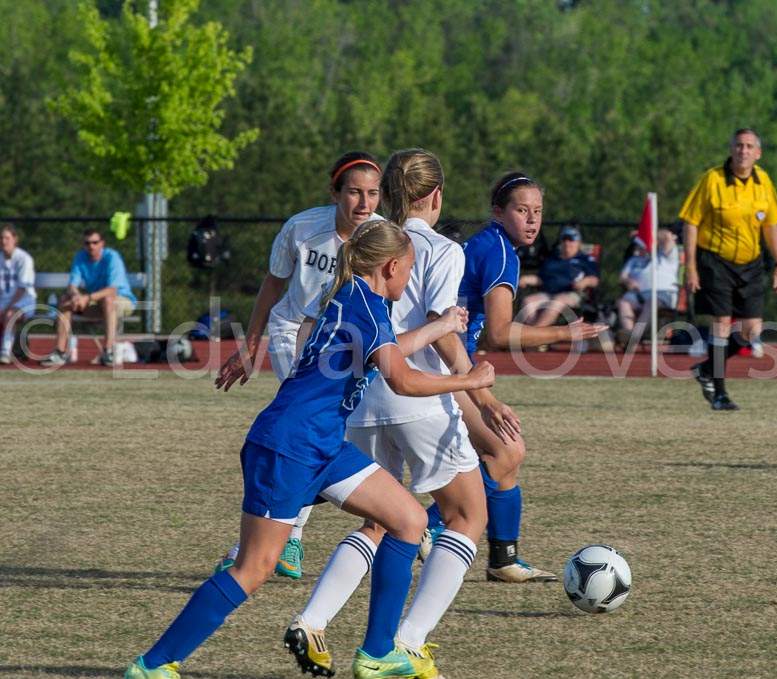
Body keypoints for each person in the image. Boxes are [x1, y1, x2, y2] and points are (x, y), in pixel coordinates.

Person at [124, 219, 495, 679]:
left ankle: (377, 655)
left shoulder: (360, 298)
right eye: (410, 269)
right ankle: (153, 665)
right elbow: (402, 378)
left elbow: (392, 352)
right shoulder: (367, 306)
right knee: (254, 567)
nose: (410, 278)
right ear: (393, 266)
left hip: (321, 443)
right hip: (289, 446)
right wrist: (470, 380)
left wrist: (439, 325)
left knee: (408, 519)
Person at [284, 148, 519, 677]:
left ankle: (314, 619)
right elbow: (444, 333)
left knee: (378, 520)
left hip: (364, 397)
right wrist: (483, 394)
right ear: (436, 195)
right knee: (466, 516)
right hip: (419, 400)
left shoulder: (372, 239)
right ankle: (407, 643)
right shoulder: (442, 250)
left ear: (388, 193)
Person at [212, 152, 382, 579]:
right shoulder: (303, 228)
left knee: (324, 436)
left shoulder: (383, 236)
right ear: (335, 192)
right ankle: (285, 539)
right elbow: (273, 284)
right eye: (355, 192)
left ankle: (286, 537)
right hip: (295, 333)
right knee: (312, 431)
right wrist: (251, 345)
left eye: (373, 193)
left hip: (345, 345)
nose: (365, 203)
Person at [430, 172, 606, 584]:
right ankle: (426, 526)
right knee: (505, 450)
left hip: (452, 361)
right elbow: (499, 332)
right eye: (522, 210)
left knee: (505, 452)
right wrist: (565, 331)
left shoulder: (495, 245)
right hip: (442, 362)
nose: (532, 219)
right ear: (498, 212)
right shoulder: (499, 252)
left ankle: (503, 558)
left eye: (538, 211)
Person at [679, 128, 777, 410]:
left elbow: (771, 224)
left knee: (752, 331)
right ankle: (719, 394)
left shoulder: (763, 181)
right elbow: (690, 222)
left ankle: (706, 369)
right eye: (739, 145)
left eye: (749, 146)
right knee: (722, 325)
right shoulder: (712, 179)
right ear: (731, 149)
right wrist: (690, 266)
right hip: (716, 261)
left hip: (751, 263)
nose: (743, 151)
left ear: (758, 153)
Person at [40, 229, 136, 367]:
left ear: (102, 243)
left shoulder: (112, 257)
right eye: (87, 243)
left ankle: (108, 352)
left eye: (95, 242)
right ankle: (60, 352)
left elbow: (112, 290)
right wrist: (76, 296)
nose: (91, 246)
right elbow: (72, 285)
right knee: (65, 302)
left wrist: (87, 297)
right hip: (95, 303)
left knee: (108, 300)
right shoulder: (80, 257)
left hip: (122, 302)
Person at [518, 226, 599, 328]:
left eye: (571, 240)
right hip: (548, 294)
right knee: (528, 302)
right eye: (564, 240)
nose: (567, 243)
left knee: (556, 302)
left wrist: (585, 281)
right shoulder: (552, 258)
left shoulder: (585, 259)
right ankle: (536, 335)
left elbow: (594, 280)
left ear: (579, 243)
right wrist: (526, 279)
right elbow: (541, 279)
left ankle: (535, 334)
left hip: (572, 294)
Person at [615, 227, 681, 347]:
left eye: (643, 241)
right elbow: (622, 278)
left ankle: (634, 338)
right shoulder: (634, 260)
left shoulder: (666, 255)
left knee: (652, 302)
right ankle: (629, 335)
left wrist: (646, 233)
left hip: (663, 294)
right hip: (639, 294)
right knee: (623, 302)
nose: (640, 246)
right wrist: (628, 281)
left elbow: (666, 237)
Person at [0, 225, 36, 365]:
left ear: (15, 239)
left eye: (7, 238)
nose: (4, 241)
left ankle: (5, 351)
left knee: (10, 314)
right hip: (3, 301)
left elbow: (22, 289)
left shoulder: (24, 259)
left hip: (24, 301)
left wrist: (6, 307)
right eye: (1, 238)